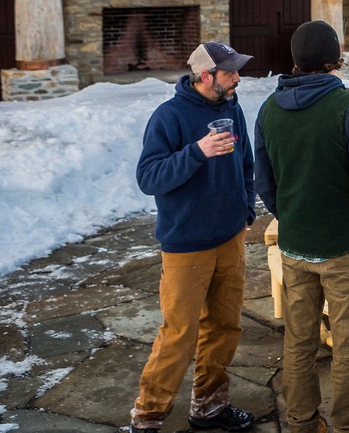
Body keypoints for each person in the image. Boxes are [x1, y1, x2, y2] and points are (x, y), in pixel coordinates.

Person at [254, 21, 349, 433]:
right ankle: (348, 426)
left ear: (295, 61)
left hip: (295, 246)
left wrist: (290, 216)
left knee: (299, 341)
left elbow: (264, 181)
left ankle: (301, 423)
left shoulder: (269, 109)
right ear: (335, 61)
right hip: (345, 247)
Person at [129, 42, 257, 433]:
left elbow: (246, 163)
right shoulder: (169, 116)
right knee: (179, 335)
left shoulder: (232, 108)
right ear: (206, 76)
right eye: (230, 72)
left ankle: (210, 406)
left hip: (230, 238)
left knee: (225, 327)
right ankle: (148, 416)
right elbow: (149, 178)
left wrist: (245, 207)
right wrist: (197, 151)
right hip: (187, 245)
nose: (237, 78)